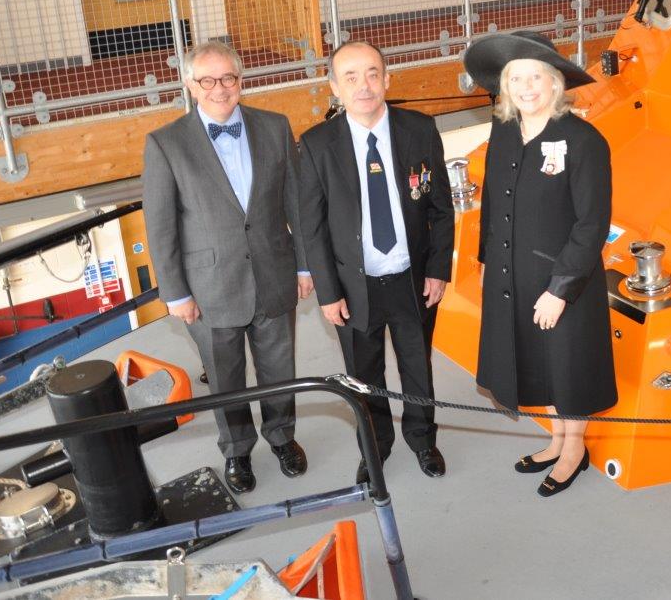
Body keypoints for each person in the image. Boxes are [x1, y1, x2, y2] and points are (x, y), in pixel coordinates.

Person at [143, 41, 312, 494]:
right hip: (208, 287)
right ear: (190, 85)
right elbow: (160, 226)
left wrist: (304, 266)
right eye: (208, 80)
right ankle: (237, 449)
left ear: (241, 80)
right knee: (225, 376)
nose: (220, 89)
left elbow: (295, 201)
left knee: (280, 368)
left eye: (229, 78)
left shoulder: (275, 127)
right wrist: (175, 293)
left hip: (274, 274)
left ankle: (282, 437)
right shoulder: (165, 143)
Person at [463, 31, 617, 498]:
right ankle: (556, 440)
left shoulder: (584, 140)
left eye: (535, 77)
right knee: (537, 363)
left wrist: (560, 290)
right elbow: (492, 198)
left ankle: (575, 449)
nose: (526, 87)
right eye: (516, 78)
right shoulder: (505, 130)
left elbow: (592, 224)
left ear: (555, 82)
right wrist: (488, 257)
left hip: (563, 281)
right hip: (513, 273)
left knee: (567, 368)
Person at [298, 41, 454, 483]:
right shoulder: (315, 145)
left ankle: (423, 441)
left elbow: (441, 208)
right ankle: (375, 447)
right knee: (364, 377)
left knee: (417, 367)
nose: (363, 85)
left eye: (371, 74)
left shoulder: (420, 129)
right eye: (350, 76)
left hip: (412, 279)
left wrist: (439, 268)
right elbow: (312, 229)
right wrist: (328, 293)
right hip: (352, 288)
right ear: (334, 87)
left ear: (387, 79)